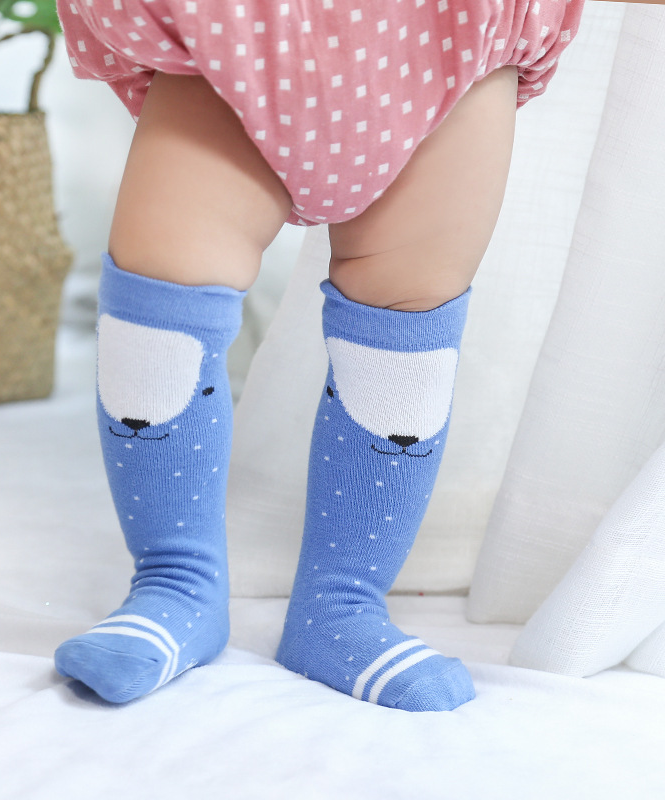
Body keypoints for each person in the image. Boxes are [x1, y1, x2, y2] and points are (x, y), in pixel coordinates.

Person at [53, 0, 585, 710]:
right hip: (240, 26)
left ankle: (341, 607)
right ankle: (175, 584)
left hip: (453, 32)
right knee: (165, 295)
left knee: (405, 324)